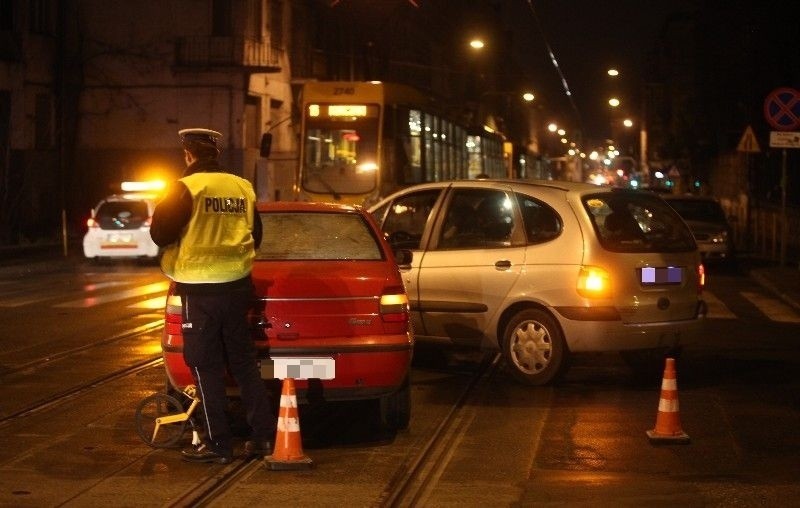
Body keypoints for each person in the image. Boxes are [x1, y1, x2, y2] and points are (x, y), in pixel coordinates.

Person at [150, 128, 276, 464]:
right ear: (216, 154)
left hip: (200, 289)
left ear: (189, 155)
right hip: (237, 286)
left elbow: (160, 233)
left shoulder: (186, 187)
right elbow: (257, 235)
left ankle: (218, 443)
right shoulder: (242, 187)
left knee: (205, 367)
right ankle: (263, 438)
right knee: (244, 363)